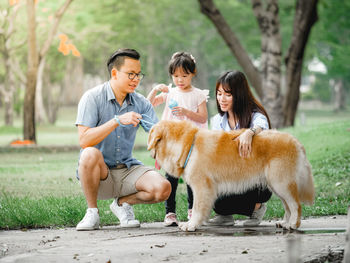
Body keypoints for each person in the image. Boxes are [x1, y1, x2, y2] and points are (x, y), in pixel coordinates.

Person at [75, 48, 171, 231]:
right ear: (114, 73)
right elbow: (84, 139)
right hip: (100, 175)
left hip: (127, 170)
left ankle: (122, 204)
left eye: (138, 75)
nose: (136, 79)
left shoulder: (141, 102)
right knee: (88, 153)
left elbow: (158, 133)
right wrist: (116, 121)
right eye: (131, 74)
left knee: (163, 189)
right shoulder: (92, 98)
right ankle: (92, 213)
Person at [147, 51, 209, 226]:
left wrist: (186, 112)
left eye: (184, 75)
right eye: (175, 76)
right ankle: (170, 212)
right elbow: (149, 104)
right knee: (171, 176)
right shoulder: (171, 93)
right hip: (172, 143)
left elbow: (203, 118)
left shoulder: (198, 95)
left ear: (193, 73)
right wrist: (154, 90)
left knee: (191, 176)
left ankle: (193, 210)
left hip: (191, 142)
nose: (180, 80)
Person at [207, 70, 272, 227]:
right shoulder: (217, 121)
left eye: (228, 95)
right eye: (219, 93)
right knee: (213, 198)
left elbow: (262, 124)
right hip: (230, 175)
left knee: (253, 192)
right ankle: (224, 215)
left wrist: (249, 133)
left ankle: (257, 208)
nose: (222, 99)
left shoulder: (254, 115)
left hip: (256, 179)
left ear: (239, 94)